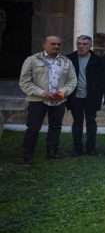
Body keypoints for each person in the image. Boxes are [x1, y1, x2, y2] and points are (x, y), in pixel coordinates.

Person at [18, 36, 77, 164]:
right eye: (53, 44)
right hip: (37, 100)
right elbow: (24, 82)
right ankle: (27, 155)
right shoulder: (32, 60)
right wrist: (42, 93)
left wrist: (63, 92)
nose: (56, 46)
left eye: (59, 44)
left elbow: (72, 81)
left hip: (59, 100)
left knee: (55, 127)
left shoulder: (66, 61)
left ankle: (52, 152)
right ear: (44, 45)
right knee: (33, 128)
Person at [66, 35, 102, 156]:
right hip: (75, 96)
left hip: (91, 97)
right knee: (77, 122)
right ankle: (77, 149)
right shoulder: (69, 59)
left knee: (91, 122)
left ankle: (91, 148)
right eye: (79, 44)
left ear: (90, 45)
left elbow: (101, 80)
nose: (81, 46)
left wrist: (99, 96)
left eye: (85, 44)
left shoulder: (97, 60)